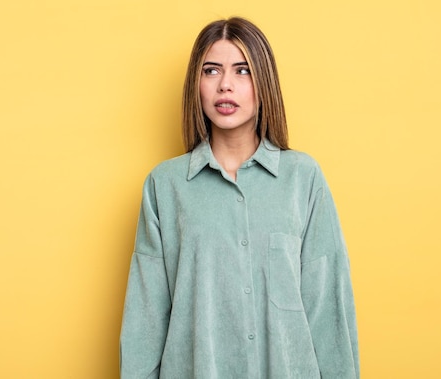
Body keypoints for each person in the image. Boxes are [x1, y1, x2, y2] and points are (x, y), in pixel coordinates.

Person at [119, 17, 359, 378]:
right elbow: (145, 319)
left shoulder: (303, 179)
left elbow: (328, 310)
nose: (225, 85)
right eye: (211, 71)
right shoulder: (165, 186)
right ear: (196, 85)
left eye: (242, 71)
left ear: (264, 83)